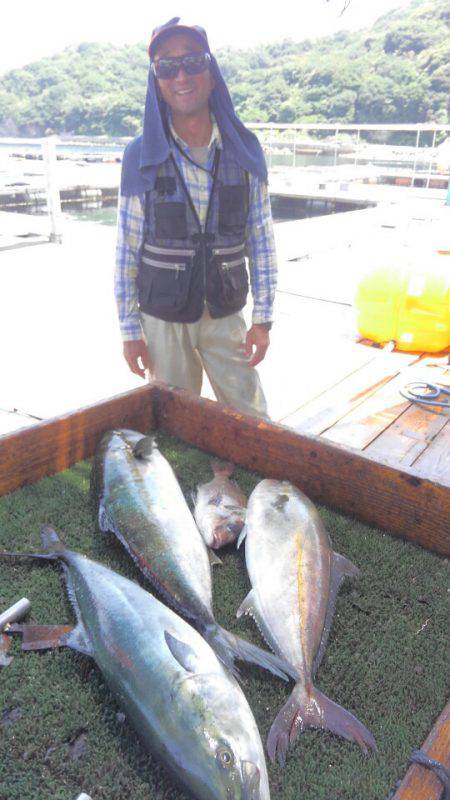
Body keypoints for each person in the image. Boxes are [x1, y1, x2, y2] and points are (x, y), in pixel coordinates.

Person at [115, 17, 278, 417]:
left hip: (225, 312)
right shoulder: (140, 155)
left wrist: (264, 318)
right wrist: (130, 331)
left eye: (192, 61)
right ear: (157, 82)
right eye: (167, 67)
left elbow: (261, 238)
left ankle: (257, 476)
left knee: (251, 414)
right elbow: (126, 250)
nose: (181, 75)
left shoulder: (244, 148)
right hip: (162, 318)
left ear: (211, 72)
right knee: (172, 419)